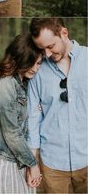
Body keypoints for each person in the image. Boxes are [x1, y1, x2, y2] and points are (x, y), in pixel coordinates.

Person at [27, 18, 88, 193]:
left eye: (51, 46)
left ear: (64, 33)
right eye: (41, 49)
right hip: (52, 164)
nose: (46, 54)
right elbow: (33, 118)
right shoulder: (37, 70)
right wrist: (33, 164)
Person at [0, 34, 43, 194]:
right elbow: (11, 133)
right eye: (32, 63)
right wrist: (33, 164)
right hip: (4, 160)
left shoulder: (23, 81)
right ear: (20, 59)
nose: (36, 69)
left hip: (19, 156)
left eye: (39, 63)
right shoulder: (5, 86)